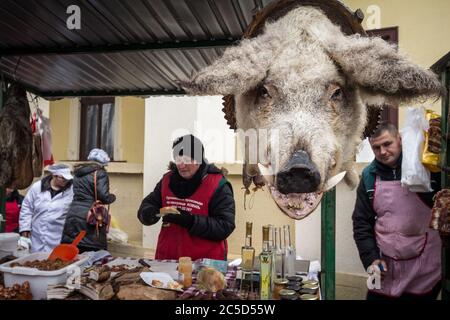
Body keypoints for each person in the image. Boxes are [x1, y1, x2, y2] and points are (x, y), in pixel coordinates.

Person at [352, 122, 442, 300]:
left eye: (387, 144)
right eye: (376, 147)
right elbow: (361, 222)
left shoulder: (422, 169)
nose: (383, 152)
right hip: (383, 264)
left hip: (424, 266)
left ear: (399, 140)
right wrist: (370, 259)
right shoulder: (369, 176)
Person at [138, 134, 236, 261]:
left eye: (186, 159)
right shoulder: (167, 180)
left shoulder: (218, 184)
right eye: (178, 159)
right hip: (168, 260)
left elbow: (225, 226)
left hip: (204, 266)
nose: (181, 165)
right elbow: (147, 206)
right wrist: (150, 213)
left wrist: (190, 221)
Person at [61, 148, 116, 252]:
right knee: (92, 254)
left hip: (73, 213)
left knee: (75, 251)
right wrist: (112, 197)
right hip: (90, 216)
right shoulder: (100, 173)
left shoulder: (78, 173)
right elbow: (103, 197)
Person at [19, 164, 74, 252]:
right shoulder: (37, 187)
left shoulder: (72, 190)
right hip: (37, 236)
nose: (66, 180)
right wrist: (25, 229)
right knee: (36, 261)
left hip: (58, 237)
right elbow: (27, 208)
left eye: (67, 178)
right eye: (62, 178)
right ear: (54, 176)